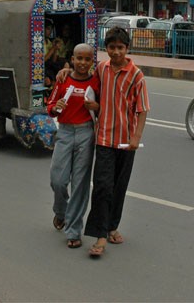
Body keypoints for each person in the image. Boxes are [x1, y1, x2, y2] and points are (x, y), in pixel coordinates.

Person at [84, 27, 149, 258]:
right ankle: (100, 235)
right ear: (106, 48)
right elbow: (86, 83)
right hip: (103, 138)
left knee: (119, 187)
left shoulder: (136, 76)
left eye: (120, 48)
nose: (116, 52)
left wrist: (136, 138)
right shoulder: (101, 69)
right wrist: (64, 71)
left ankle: (112, 226)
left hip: (125, 142)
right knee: (102, 186)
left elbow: (142, 110)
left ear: (127, 49)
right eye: (111, 47)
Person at [47, 43, 99, 249]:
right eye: (79, 58)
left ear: (92, 61)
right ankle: (61, 212)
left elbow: (102, 106)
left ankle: (74, 230)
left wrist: (96, 106)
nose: (83, 63)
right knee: (58, 181)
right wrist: (55, 108)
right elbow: (50, 106)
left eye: (87, 59)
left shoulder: (96, 82)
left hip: (86, 133)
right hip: (65, 133)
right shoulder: (63, 80)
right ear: (72, 59)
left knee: (80, 184)